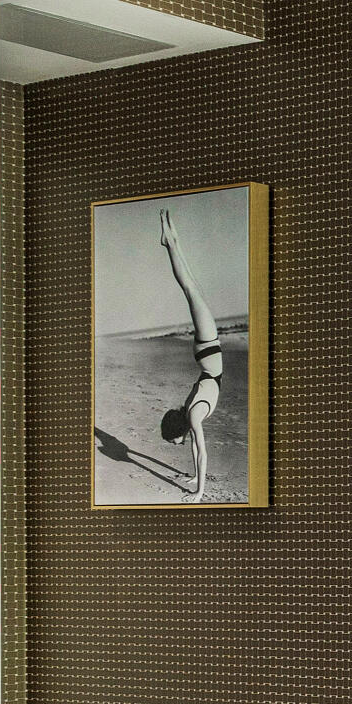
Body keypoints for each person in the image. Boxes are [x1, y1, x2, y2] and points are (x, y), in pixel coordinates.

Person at [156, 207, 224, 500]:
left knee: (189, 289)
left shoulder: (194, 415)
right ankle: (174, 240)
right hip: (205, 354)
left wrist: (199, 493)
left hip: (209, 349)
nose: (177, 444)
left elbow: (203, 452)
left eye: (174, 441)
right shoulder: (189, 414)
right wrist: (195, 475)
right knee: (192, 288)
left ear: (179, 429)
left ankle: (169, 243)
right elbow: (197, 449)